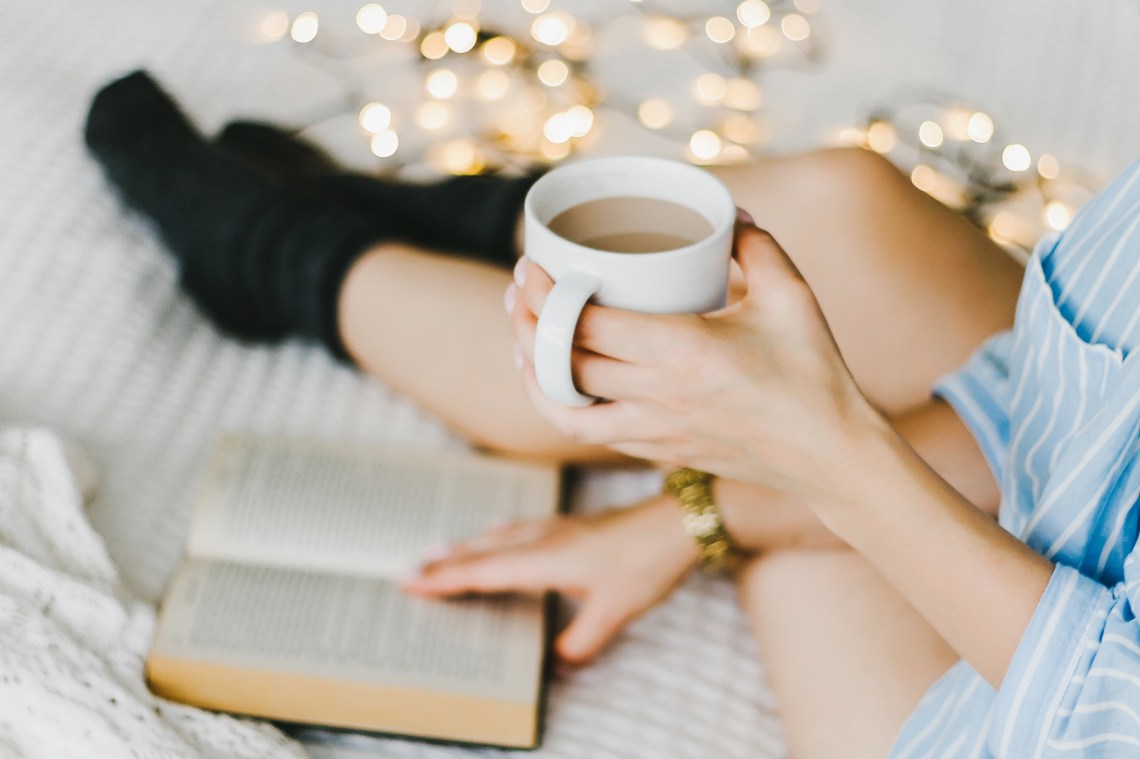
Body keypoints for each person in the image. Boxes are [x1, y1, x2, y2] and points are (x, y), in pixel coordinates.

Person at [85, 70, 1140, 757]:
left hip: (1018, 722)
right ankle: (412, 214)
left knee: (719, 326)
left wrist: (820, 456)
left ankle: (284, 250)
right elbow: (1063, 417)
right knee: (845, 211)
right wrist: (684, 518)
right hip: (1054, 551)